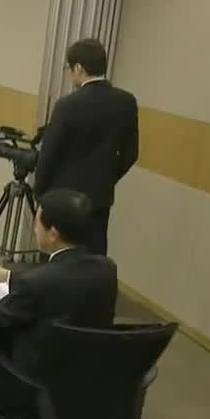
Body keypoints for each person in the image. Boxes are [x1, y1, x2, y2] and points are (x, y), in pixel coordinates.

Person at [0, 188, 117, 419]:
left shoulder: (38, 282)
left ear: (53, 234)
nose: (34, 228)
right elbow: (59, 286)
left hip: (34, 381)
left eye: (36, 223)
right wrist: (6, 276)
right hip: (84, 376)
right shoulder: (106, 269)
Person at [34, 38, 139, 256]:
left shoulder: (67, 105)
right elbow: (130, 154)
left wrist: (41, 197)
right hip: (100, 199)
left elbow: (48, 156)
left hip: (64, 201)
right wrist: (107, 178)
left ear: (79, 68)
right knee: (94, 256)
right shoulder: (126, 102)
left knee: (62, 258)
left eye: (69, 69)